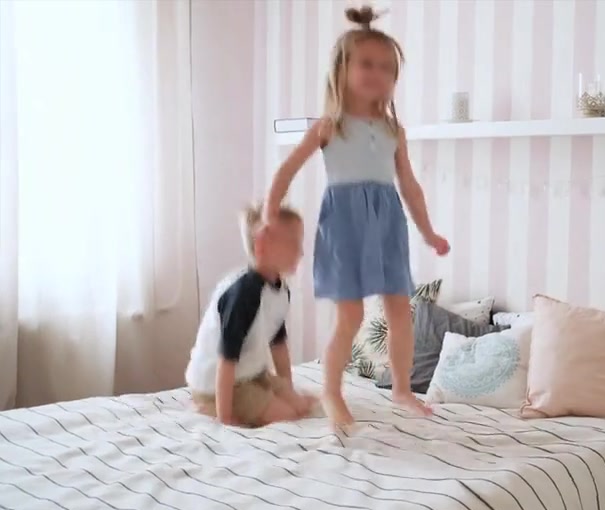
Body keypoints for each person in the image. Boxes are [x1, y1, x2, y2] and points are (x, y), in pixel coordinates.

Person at [263, 5, 449, 431]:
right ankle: (331, 391)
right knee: (351, 316)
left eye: (386, 68)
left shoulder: (393, 131)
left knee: (400, 310)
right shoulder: (330, 126)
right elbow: (287, 170)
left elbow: (410, 186)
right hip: (345, 224)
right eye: (366, 64)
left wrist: (428, 232)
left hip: (387, 223)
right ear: (342, 69)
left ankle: (401, 388)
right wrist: (271, 213)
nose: (377, 73)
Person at [185, 204, 317, 427]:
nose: (301, 252)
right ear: (263, 246)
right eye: (293, 243)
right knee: (287, 414)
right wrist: (225, 417)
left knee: (302, 406)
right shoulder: (243, 295)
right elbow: (226, 360)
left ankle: (263, 398)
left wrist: (287, 389)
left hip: (251, 374)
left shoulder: (280, 290)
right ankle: (207, 405)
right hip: (217, 382)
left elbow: (278, 345)